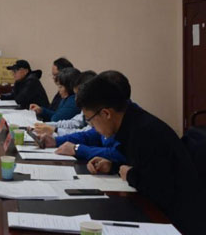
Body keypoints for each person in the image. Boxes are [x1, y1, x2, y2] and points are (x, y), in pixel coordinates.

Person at [77, 71, 203, 234]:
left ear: (106, 113)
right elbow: (142, 168)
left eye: (90, 120)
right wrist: (113, 166)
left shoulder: (145, 133)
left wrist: (130, 175)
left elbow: (158, 189)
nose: (93, 127)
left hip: (177, 222)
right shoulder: (132, 122)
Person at [34, 70, 96, 137]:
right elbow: (75, 122)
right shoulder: (65, 98)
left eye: (60, 86)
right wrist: (46, 125)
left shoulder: (74, 102)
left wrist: (55, 130)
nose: (76, 99)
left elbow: (85, 134)